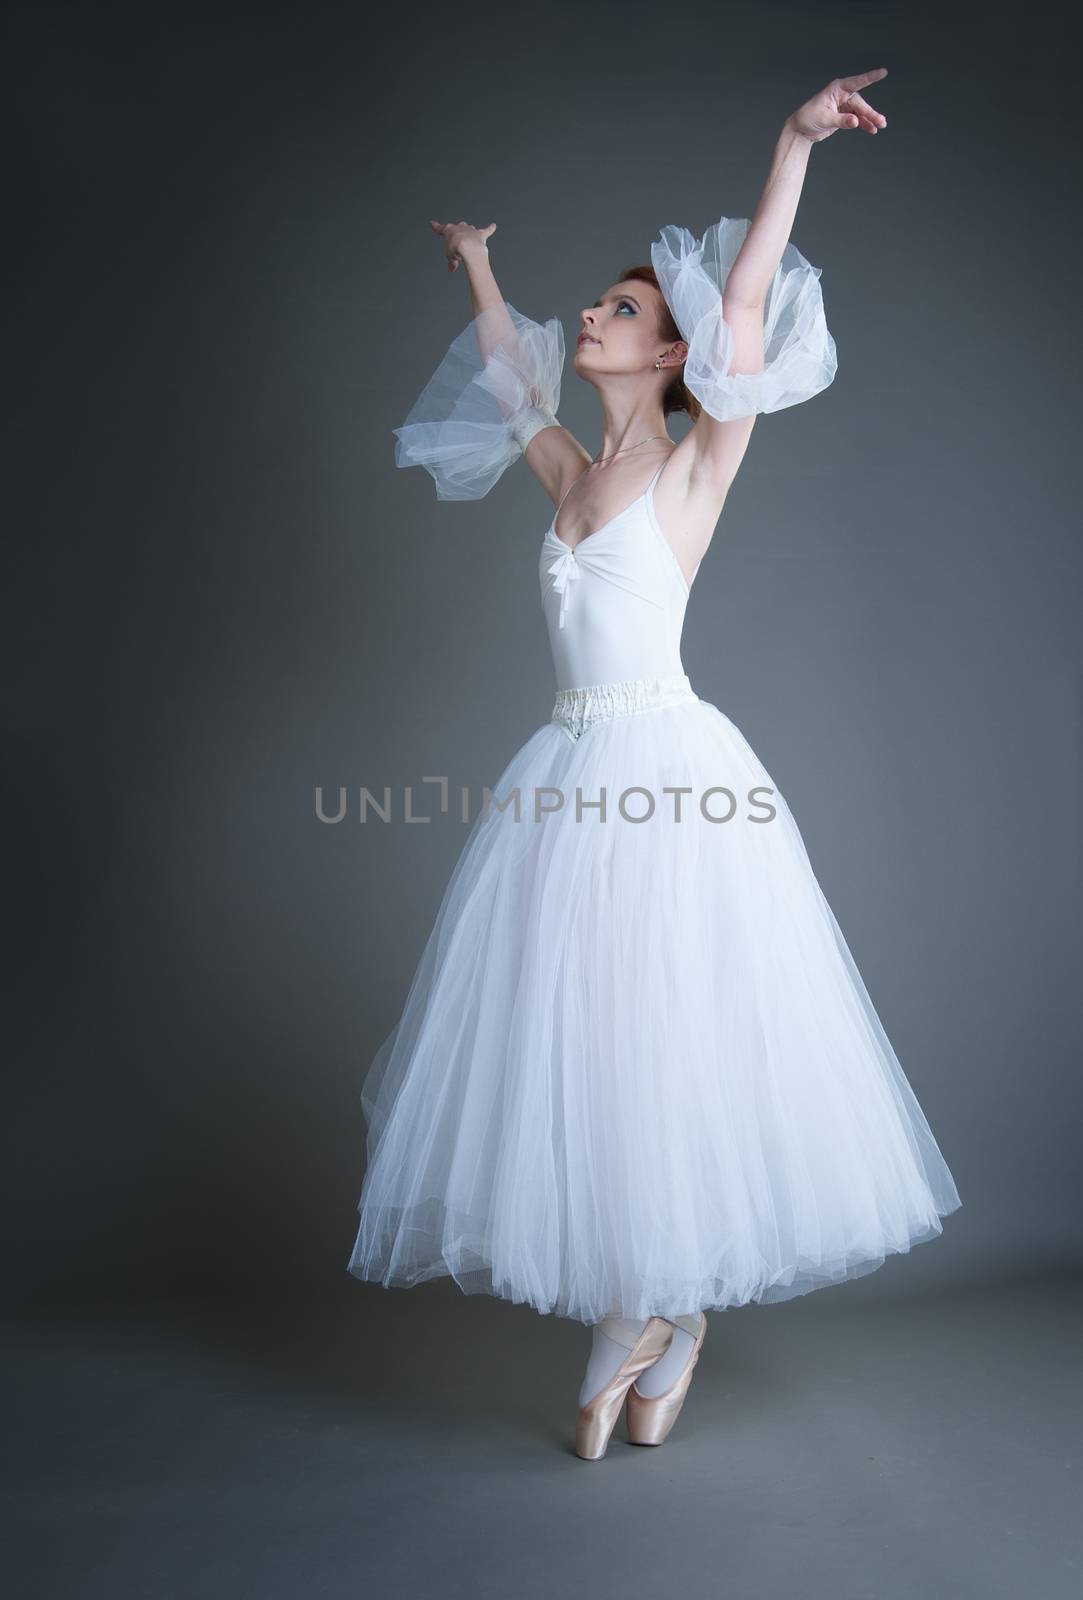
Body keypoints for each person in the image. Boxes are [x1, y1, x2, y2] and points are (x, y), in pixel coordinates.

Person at [347, 69, 962, 1462]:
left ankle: (651, 1309)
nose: (596, 318)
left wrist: (794, 144)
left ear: (673, 356)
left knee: (665, 1036)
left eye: (622, 311)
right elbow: (509, 377)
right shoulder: (569, 474)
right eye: (603, 306)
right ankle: (656, 1310)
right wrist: (483, 266)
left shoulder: (698, 468)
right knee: (589, 1046)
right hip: (566, 782)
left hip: (673, 779)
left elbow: (743, 304)